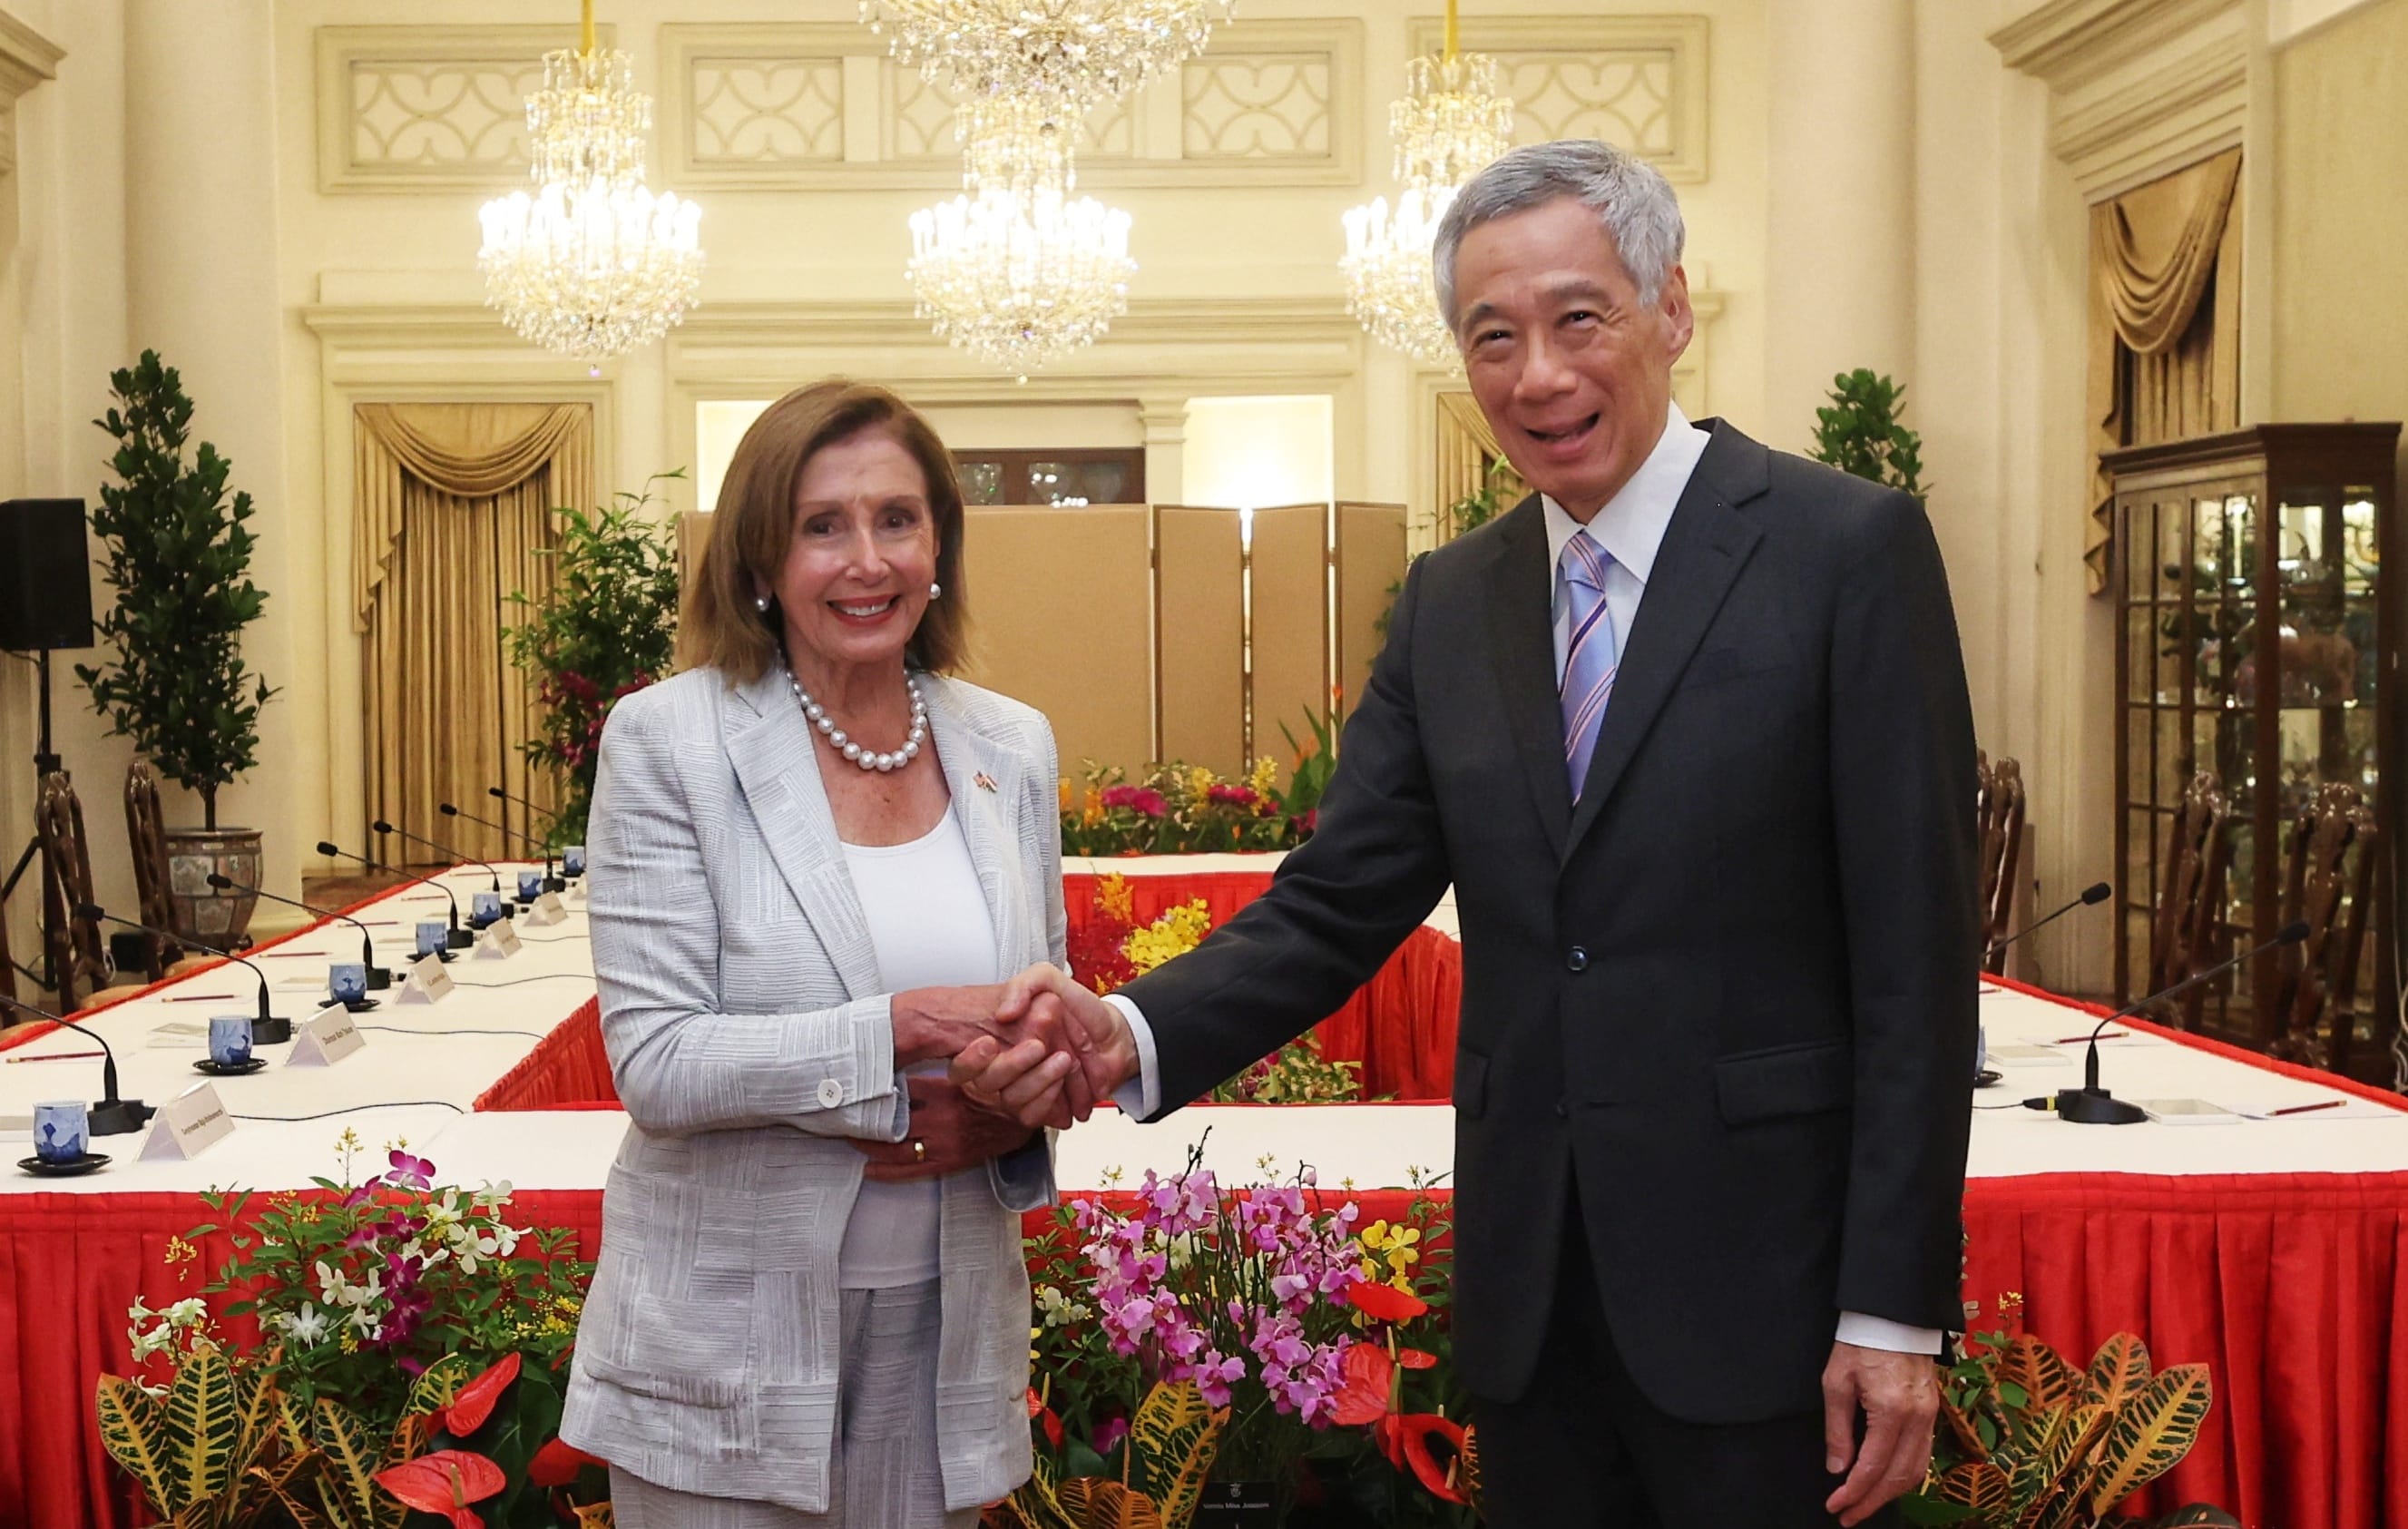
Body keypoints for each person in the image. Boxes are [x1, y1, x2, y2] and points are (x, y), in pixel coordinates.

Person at [961, 139, 1978, 1527]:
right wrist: (1123, 1033)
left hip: (1771, 1302)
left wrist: (1895, 1311)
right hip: (1529, 1299)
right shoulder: (1453, 600)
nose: (1536, 376)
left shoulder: (1840, 551)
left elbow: (1915, 963)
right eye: (1490, 337)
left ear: (1669, 308)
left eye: (1578, 318)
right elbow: (1337, 899)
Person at [559, 380, 1111, 1528]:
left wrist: (1025, 1092)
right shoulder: (670, 740)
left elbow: (1035, 1003)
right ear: (760, 559)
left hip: (946, 1332)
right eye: (823, 526)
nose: (867, 560)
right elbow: (657, 1060)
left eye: (897, 519)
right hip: (725, 1346)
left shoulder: (1009, 741)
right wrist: (904, 1028)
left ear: (939, 546)